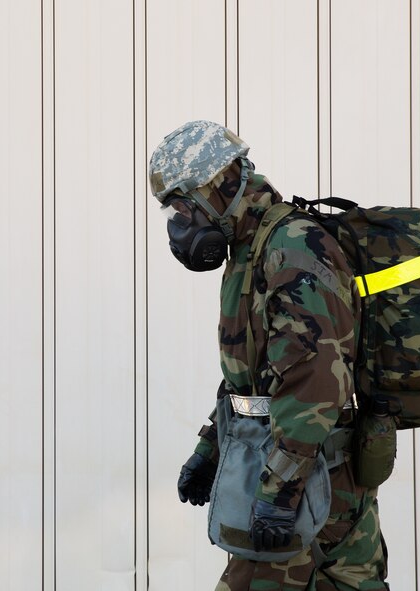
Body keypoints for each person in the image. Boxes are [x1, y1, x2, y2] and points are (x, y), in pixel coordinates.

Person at [149, 120, 389, 591]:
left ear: (218, 184)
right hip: (311, 472)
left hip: (312, 478)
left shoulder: (292, 247)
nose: (179, 225)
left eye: (181, 206)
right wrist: (210, 448)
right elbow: (253, 378)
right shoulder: (249, 249)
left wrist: (279, 491)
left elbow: (315, 382)